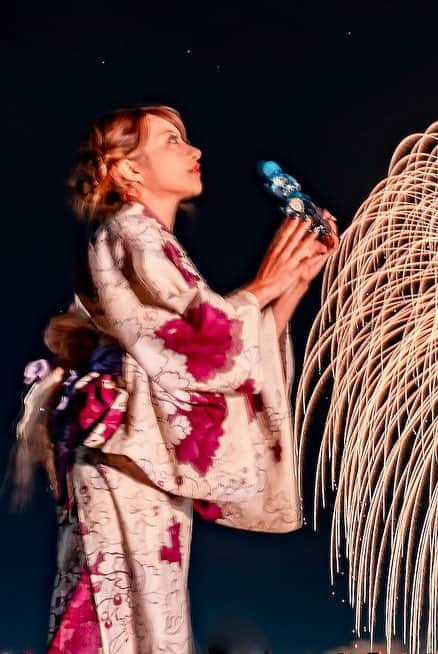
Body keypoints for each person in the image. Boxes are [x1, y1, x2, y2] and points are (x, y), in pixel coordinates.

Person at [13, 105, 338, 653]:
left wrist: (291, 284)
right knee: (121, 614)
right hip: (120, 451)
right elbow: (193, 342)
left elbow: (217, 357)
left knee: (143, 615)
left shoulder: (151, 240)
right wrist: (264, 285)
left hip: (137, 456)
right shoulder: (129, 231)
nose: (195, 151)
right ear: (127, 170)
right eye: (172, 141)